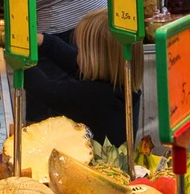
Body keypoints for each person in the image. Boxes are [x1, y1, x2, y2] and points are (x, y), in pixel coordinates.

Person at [24, 9, 143, 144]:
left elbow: (46, 91)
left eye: (82, 50)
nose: (77, 54)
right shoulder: (122, 85)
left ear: (98, 58)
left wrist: (21, 61)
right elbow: (76, 65)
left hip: (97, 164)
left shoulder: (95, 95)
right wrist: (44, 41)